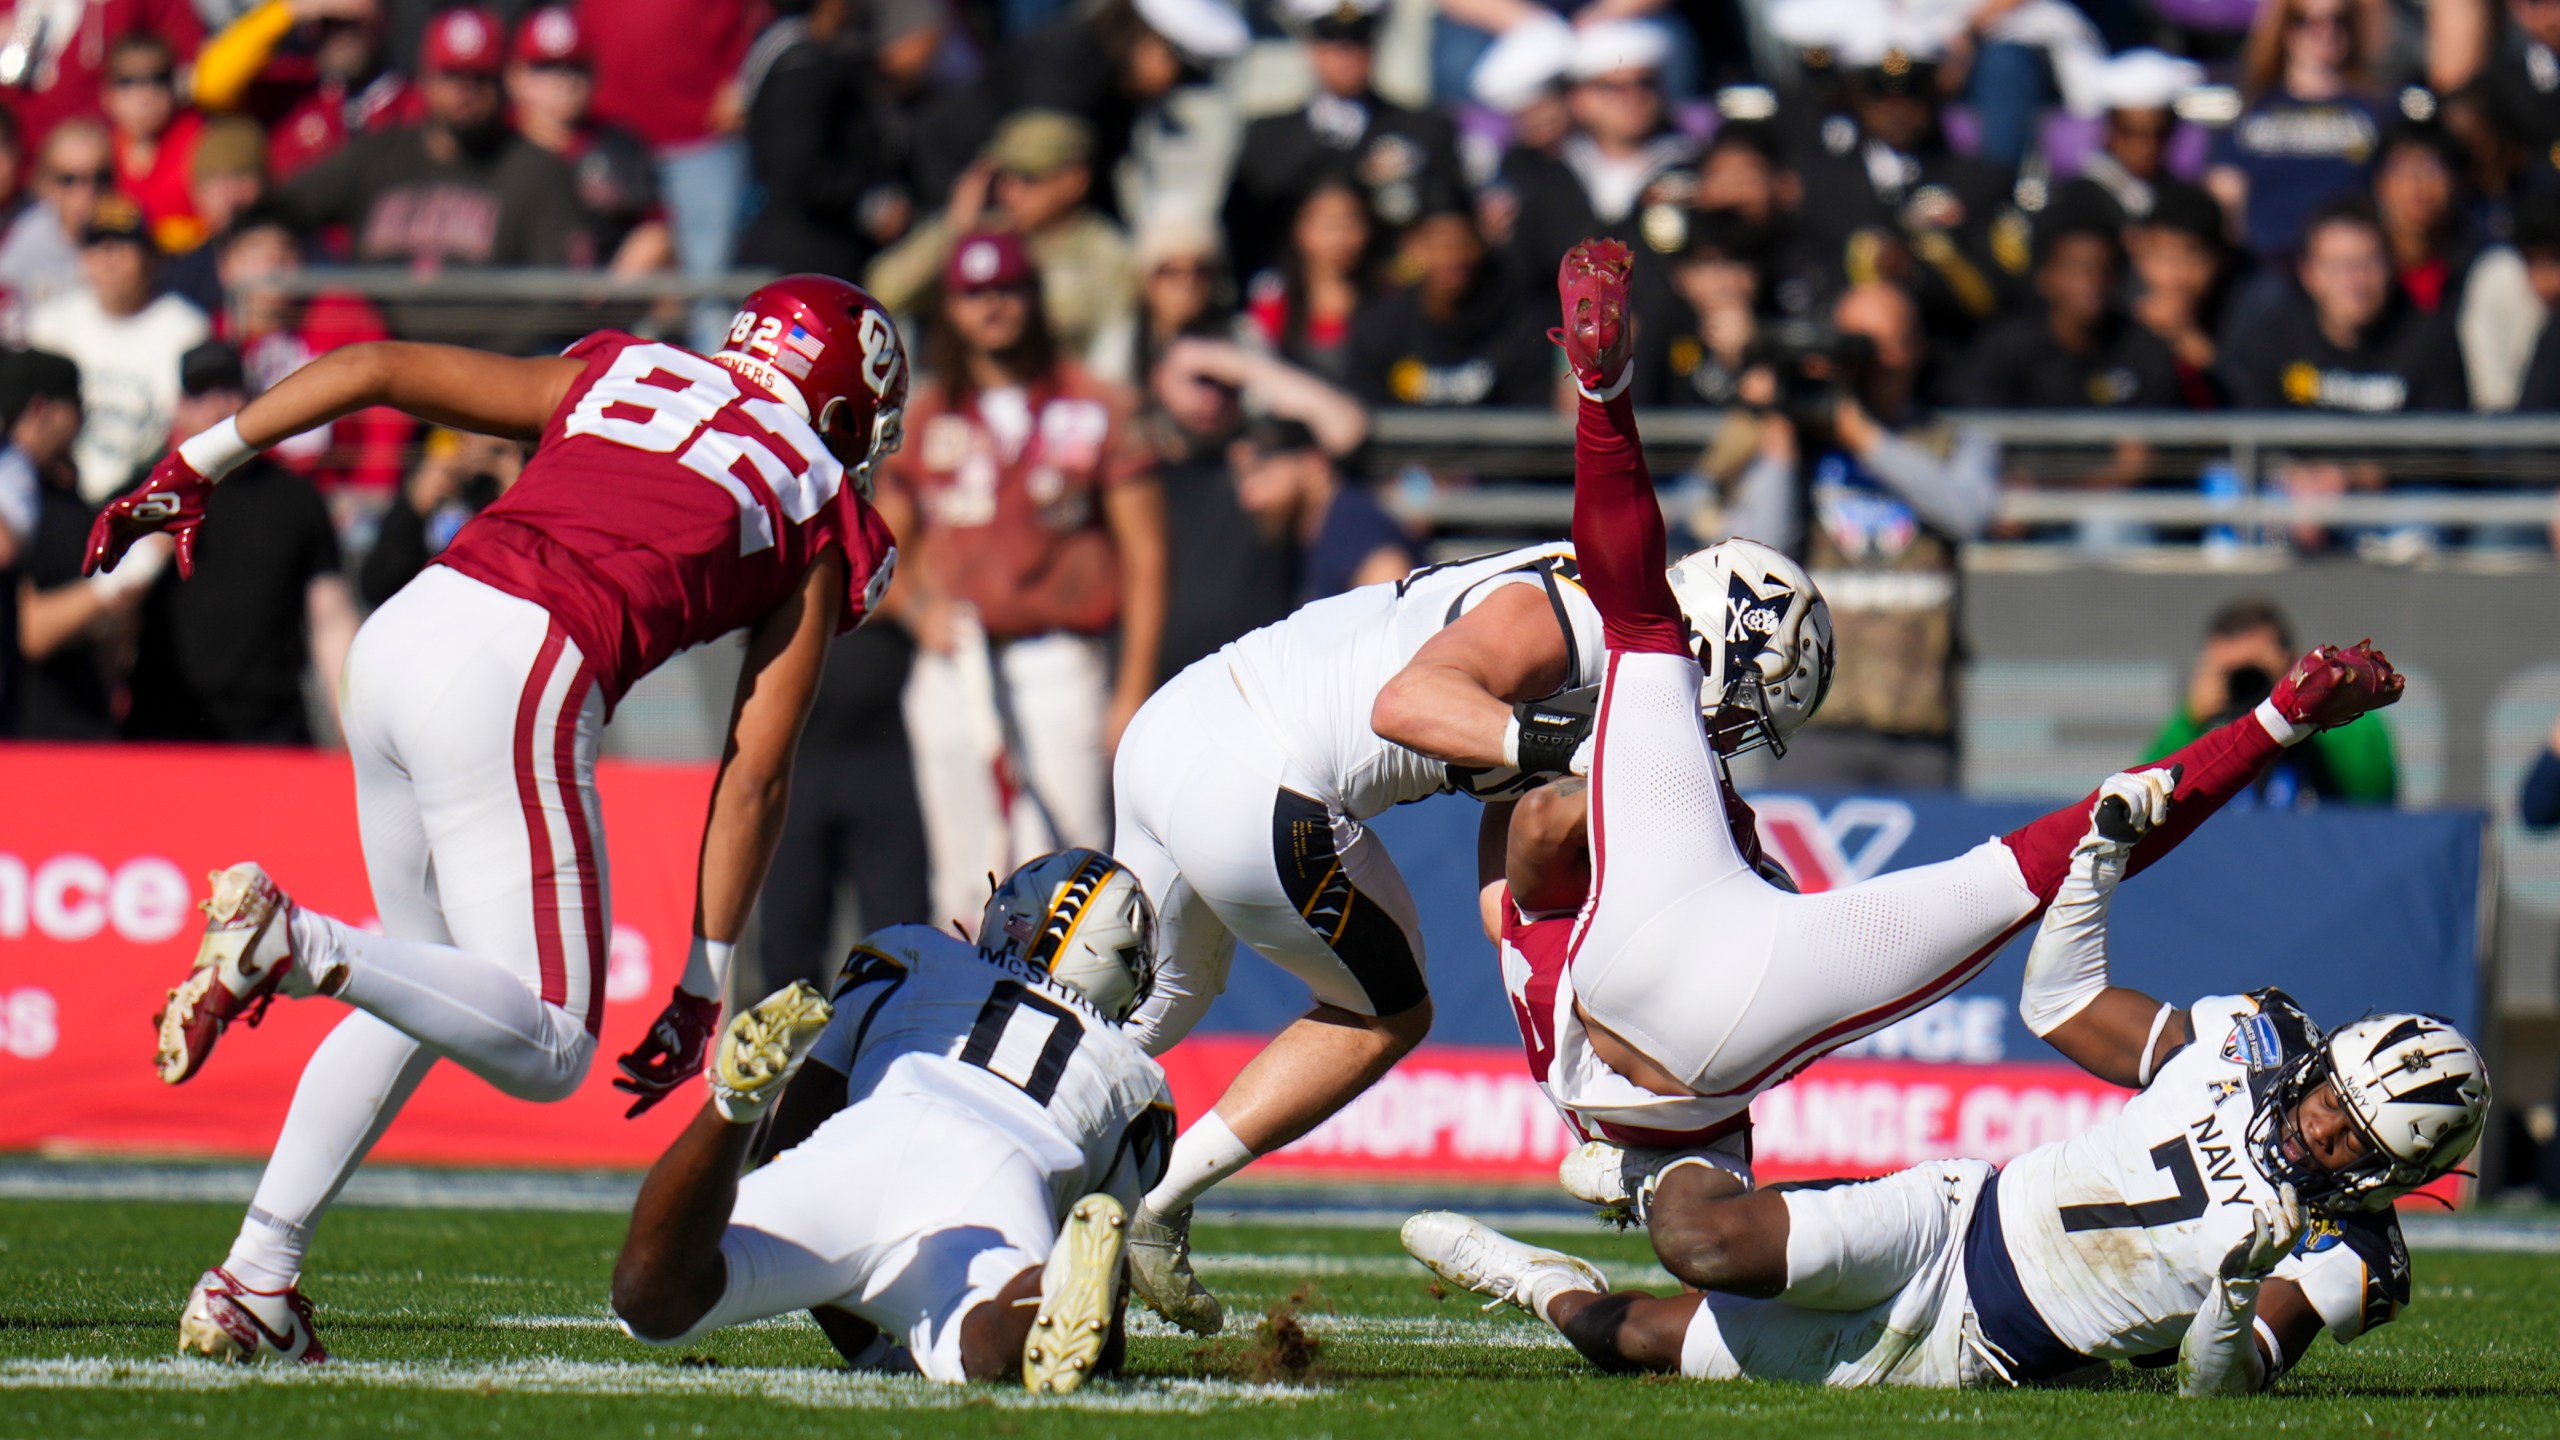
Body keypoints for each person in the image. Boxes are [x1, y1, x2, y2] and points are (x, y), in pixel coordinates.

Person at [1443, 238, 2413, 1319]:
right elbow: (2095, 837)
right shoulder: (1680, 750)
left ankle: (1615, 1160)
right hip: (1742, 985)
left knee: (1534, 832)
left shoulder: (1651, 696)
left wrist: (1606, 397)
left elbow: (1627, 570)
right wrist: (2275, 720)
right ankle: (1628, 1154)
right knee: (2058, 851)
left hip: (1655, 965)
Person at [82, 272, 909, 1361]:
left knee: (420, 985)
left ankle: (257, 1279)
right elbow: (753, 771)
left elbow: (375, 369)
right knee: (554, 1039)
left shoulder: (629, 370)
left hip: (405, 631)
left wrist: (197, 463)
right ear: (846, 409)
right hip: (524, 662)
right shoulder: (818, 501)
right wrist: (704, 981)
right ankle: (293, 942)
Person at [1109, 260, 1753, 1332]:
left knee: (1143, 1013)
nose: (1727, 733)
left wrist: (1566, 1072)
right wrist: (1579, 748)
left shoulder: (1597, 658)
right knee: (1387, 1012)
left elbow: (1514, 909)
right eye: (1747, 702)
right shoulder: (1583, 623)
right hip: (1259, 771)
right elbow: (1410, 704)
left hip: (1177, 730)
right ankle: (1155, 1206)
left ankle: (992, 1168)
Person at [1409, 771, 2489, 1394]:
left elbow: (2221, 1393)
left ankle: (1531, 1277)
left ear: (2402, 1175)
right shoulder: (2249, 1044)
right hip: (1952, 1216)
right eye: (2324, 1102)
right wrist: (2093, 870)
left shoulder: (2353, 1254)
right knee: (1707, 1247)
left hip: (1981, 1351)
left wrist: (2241, 1287)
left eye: (2352, 1143)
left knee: (1635, 1343)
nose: (2316, 1135)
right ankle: (1655, 1172)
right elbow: (2059, 1008)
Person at [609, 849, 1170, 1393]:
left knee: (652, 1298)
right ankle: (1042, 1289)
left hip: (872, 1136)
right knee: (987, 1343)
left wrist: (864, 1347)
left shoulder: (911, 953)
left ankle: (733, 1104)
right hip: (1002, 1175)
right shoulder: (1137, 1080)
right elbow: (1105, 1339)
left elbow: (790, 1140)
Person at [878, 230, 1164, 930]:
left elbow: (1146, 554)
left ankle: (1068, 1033)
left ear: (1036, 297)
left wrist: (1133, 687)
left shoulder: (1099, 406)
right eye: (975, 294)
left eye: (1007, 288)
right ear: (951, 308)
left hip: (1060, 657)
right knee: (962, 875)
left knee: (1071, 870)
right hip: (956, 664)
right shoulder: (926, 418)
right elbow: (880, 548)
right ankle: (970, 1035)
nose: (993, 307)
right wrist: (918, 609)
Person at [1719, 280, 1998, 788]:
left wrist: (1861, 435)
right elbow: (1753, 554)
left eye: (1880, 343)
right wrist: (1783, 437)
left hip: (1919, 719)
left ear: (1913, 350)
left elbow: (1968, 514)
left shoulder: (1949, 442)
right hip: (1811, 719)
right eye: (1851, 342)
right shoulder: (1795, 448)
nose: (1866, 360)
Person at [270, 7, 591, 343]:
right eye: (452, 75)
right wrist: (260, 242)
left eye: (479, 77)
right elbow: (281, 206)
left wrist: (482, 365)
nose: (465, 91)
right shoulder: (382, 156)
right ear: (426, 78)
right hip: (381, 364)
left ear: (502, 82)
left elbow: (561, 297)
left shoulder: (535, 169)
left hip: (492, 370)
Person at [122, 339, 355, 744]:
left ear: (251, 399)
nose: (218, 406)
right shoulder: (143, 495)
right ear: (179, 406)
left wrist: (350, 726)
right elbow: (110, 621)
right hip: (163, 729)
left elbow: (330, 619)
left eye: (229, 390)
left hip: (270, 729)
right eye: (200, 394)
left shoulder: (294, 498)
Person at [2225, 200, 2466, 549]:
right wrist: (2297, 480)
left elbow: (2443, 448)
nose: (2355, 281)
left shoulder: (2429, 336)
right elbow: (2248, 426)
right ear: (2310, 273)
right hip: (2293, 495)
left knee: (2421, 525)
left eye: (2368, 263)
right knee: (2251, 514)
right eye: (2339, 266)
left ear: (2390, 266)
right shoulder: (2276, 333)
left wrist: (2352, 478)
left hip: (2389, 503)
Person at [867, 111, 1138, 365]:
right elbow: (884, 293)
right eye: (1003, 178)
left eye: (1028, 178)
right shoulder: (981, 235)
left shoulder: (1109, 254)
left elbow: (1113, 358)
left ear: (1075, 180)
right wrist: (954, 229)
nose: (1011, 192)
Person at [1220, 0, 1462, 279]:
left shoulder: (1425, 131)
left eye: (1359, 40)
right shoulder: (1267, 136)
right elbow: (1245, 235)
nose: (1346, 55)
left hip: (1393, 300)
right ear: (1311, 47)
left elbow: (1447, 226)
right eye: (1332, 40)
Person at [578, 0, 763, 348]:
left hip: (701, 137)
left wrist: (743, 83)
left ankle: (717, 392)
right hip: (611, 135)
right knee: (611, 289)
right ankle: (621, 389)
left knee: (709, 289)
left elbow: (759, 19)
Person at [11, 347, 161, 739]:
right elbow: (32, 631)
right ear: (45, 411)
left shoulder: (66, 500)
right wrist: (130, 572)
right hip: (33, 730)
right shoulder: (21, 503)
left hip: (76, 722)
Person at [26, 192, 210, 502]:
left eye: (123, 245)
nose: (109, 258)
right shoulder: (50, 325)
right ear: (81, 259)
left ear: (151, 258)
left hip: (149, 495)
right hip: (61, 493)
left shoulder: (187, 329)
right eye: (97, 246)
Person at [1496, 22, 1699, 298]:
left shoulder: (1694, 168)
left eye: (1644, 83)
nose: (1634, 98)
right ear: (1578, 98)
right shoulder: (1542, 172)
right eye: (1614, 88)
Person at [217, 206, 410, 493]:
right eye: (257, 251)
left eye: (285, 251)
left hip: (341, 501)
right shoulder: (213, 339)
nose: (273, 264)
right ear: (227, 266)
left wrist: (369, 495)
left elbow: (386, 417)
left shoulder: (343, 316)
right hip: (246, 500)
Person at [2143, 597, 2395, 806]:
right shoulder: (2198, 724)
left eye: (2254, 671)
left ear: (2293, 661)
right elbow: (2140, 803)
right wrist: (2191, 719)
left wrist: (2305, 703)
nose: (2246, 684)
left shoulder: (2340, 725)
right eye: (2233, 674)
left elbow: (2374, 795)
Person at [2205, 0, 2389, 269]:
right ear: (2286, 28)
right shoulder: (2252, 109)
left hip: (2346, 269)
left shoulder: (2376, 110)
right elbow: (2225, 198)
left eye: (2338, 20)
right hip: (2264, 264)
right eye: (2308, 20)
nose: (2326, 31)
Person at [736, 0, 909, 282]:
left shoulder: (836, 56)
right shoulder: (800, 66)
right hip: (803, 257)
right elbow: (798, 169)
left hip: (827, 249)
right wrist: (869, 204)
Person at [504, 7, 669, 281]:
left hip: (600, 305)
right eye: (545, 67)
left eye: (575, 67)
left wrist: (609, 289)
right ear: (515, 77)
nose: (564, 81)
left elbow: (656, 232)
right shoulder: (496, 144)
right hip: (508, 304)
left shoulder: (620, 145)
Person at [1344, 205, 1551, 409]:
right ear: (1412, 248)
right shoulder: (1379, 327)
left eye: (1463, 242)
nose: (1453, 257)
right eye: (1439, 245)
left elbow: (1532, 412)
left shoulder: (1518, 322)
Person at [1230, 413, 1415, 603]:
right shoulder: (1306, 534)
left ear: (1313, 461)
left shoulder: (1354, 526)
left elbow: (1393, 604)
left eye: (1259, 472)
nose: (1248, 497)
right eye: (1240, 479)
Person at [356, 427, 520, 607]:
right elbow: (377, 585)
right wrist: (415, 506)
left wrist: (516, 494)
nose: (474, 445)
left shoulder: (507, 488)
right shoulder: (431, 485)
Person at [1241, 175, 1378, 386]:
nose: (1340, 237)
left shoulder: (1385, 296)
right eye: (1329, 225)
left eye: (1352, 222)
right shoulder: (1273, 296)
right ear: (1300, 229)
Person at [1089, 208, 1229, 390]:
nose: (1187, 284)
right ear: (1147, 281)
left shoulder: (1238, 340)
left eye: (1199, 271)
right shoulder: (1118, 347)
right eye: (1170, 272)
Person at [101, 31, 206, 252]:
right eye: (128, 82)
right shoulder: (100, 154)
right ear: (107, 95)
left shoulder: (200, 141)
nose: (145, 94)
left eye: (158, 79)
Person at [0, 112, 95, 340]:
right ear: (45, 183)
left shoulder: (128, 238)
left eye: (100, 178)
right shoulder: (28, 237)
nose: (85, 192)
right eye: (68, 180)